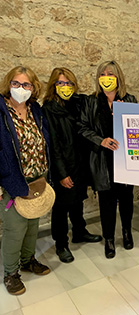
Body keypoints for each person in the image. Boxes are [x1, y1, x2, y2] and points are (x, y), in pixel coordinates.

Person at [0, 66, 51, 295]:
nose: (21, 89)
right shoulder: (1, 112)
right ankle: (10, 273)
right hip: (11, 182)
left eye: (26, 85)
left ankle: (27, 260)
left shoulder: (35, 111)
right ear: (8, 84)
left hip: (37, 179)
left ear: (34, 87)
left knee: (32, 225)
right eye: (16, 84)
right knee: (15, 228)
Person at [42, 67, 102, 263]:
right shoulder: (49, 109)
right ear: (53, 85)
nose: (65, 87)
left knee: (77, 201)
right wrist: (61, 173)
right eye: (61, 83)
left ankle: (79, 231)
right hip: (64, 166)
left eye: (69, 83)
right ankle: (61, 244)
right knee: (61, 207)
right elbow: (54, 146)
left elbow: (94, 102)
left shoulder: (77, 103)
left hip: (80, 163)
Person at [80, 60, 137, 259]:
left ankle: (127, 233)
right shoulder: (91, 101)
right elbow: (83, 128)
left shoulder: (129, 99)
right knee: (107, 202)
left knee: (127, 200)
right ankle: (109, 239)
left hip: (125, 161)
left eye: (111, 74)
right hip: (103, 161)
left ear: (118, 77)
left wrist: (125, 114)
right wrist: (101, 141)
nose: (107, 77)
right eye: (103, 74)